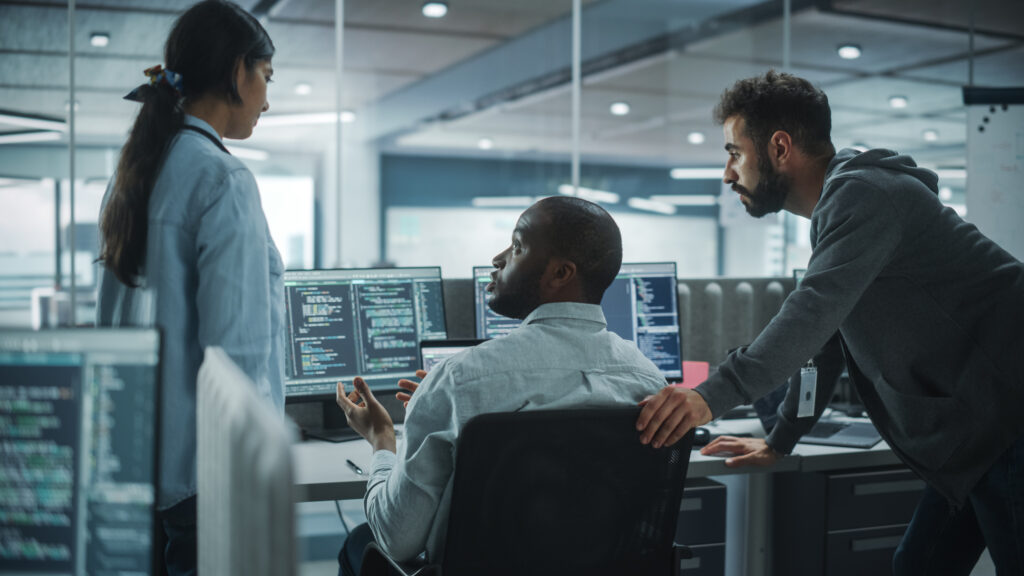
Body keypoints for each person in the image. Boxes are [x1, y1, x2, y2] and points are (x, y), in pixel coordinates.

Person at [636, 70, 1024, 575]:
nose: (728, 174)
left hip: (1007, 422)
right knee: (918, 565)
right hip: (978, 434)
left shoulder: (865, 195)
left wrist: (707, 396)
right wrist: (781, 439)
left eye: (734, 152)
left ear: (779, 147)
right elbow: (826, 342)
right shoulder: (845, 209)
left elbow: (810, 313)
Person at [334, 196, 667, 574]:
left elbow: (397, 537)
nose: (499, 257)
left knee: (361, 540)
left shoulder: (460, 378)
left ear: (561, 273)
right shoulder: (651, 384)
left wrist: (382, 440)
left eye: (518, 246)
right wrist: (434, 406)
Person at [95, 2, 282, 574]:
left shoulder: (135, 172)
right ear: (236, 72)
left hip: (139, 466)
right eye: (265, 78)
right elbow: (237, 354)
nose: (268, 100)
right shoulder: (222, 178)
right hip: (206, 479)